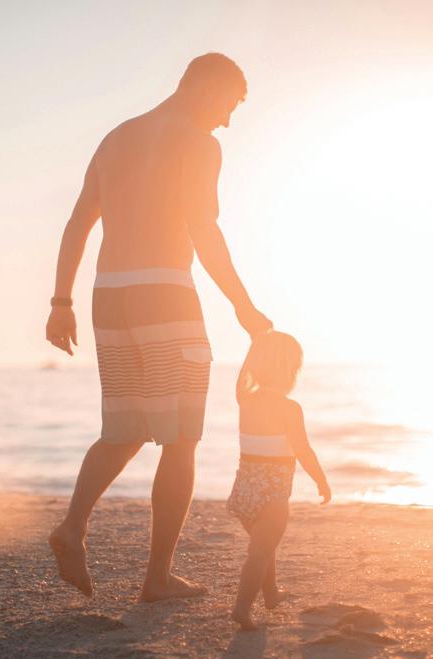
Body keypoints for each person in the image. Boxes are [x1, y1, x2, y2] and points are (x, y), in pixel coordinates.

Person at [45, 53, 271, 600]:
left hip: (109, 297)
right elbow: (204, 232)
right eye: (229, 105)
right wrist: (243, 306)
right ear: (206, 87)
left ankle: (72, 527)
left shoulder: (116, 138)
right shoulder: (198, 143)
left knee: (123, 431)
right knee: (181, 438)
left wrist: (60, 301)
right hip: (165, 295)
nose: (227, 121)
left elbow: (78, 223)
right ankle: (157, 578)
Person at [227, 331, 331, 630]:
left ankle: (271, 593)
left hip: (244, 491)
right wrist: (321, 480)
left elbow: (241, 378)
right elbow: (303, 450)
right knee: (260, 551)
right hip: (273, 492)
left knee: (264, 544)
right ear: (291, 372)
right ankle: (242, 608)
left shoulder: (245, 400)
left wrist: (254, 343)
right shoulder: (289, 408)